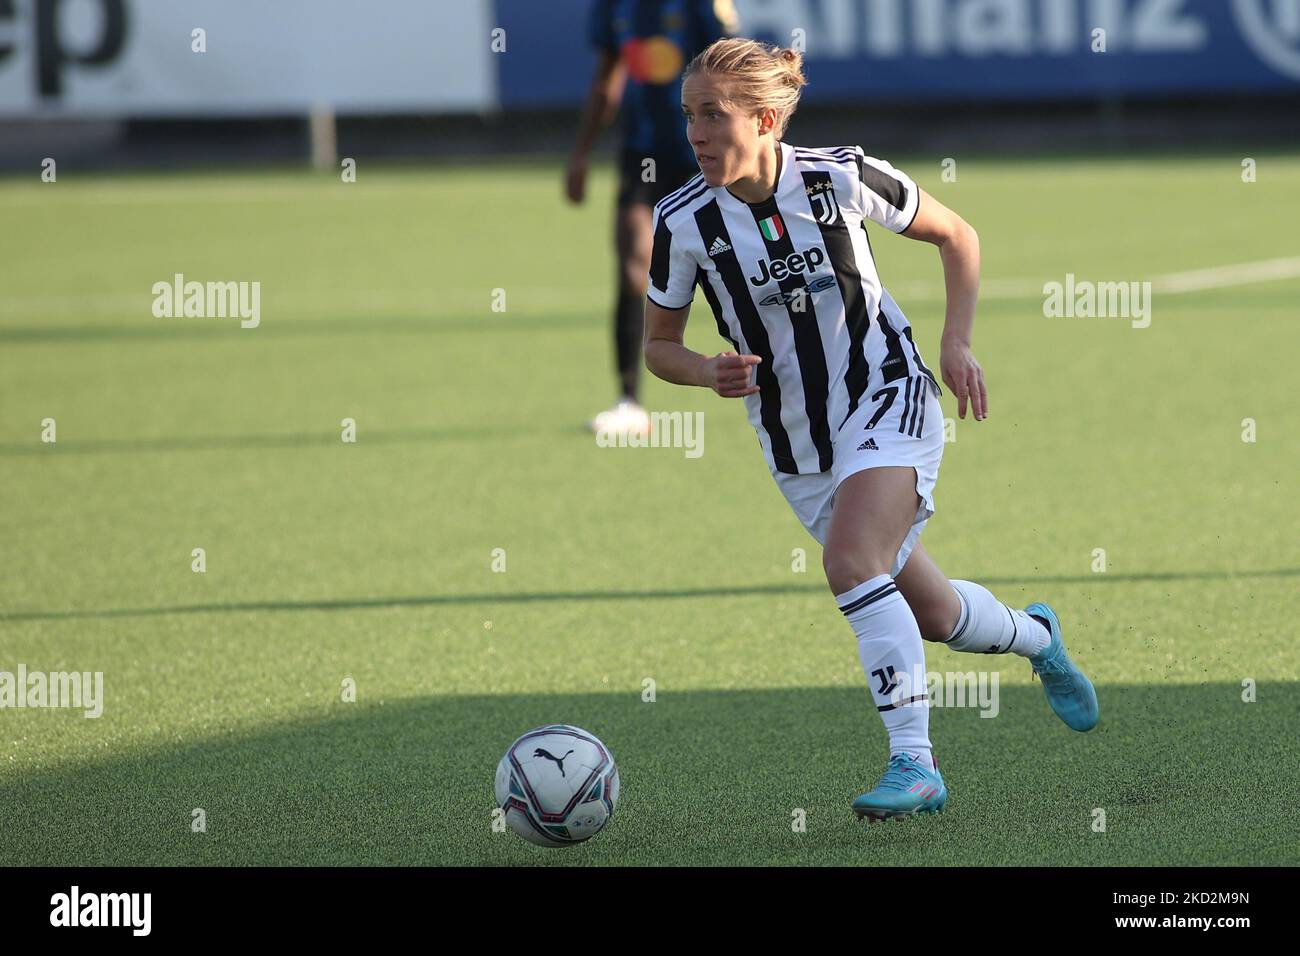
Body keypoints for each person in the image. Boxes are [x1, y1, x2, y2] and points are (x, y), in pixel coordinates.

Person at [642, 38, 1099, 822]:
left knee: (852, 561)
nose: (697, 133)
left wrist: (955, 342)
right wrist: (702, 371)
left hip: (888, 394)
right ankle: (1036, 636)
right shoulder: (682, 221)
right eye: (689, 117)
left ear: (767, 118)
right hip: (798, 445)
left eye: (713, 116)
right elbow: (657, 346)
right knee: (935, 614)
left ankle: (914, 765)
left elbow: (958, 236)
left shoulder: (840, 176)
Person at [568, 0, 738, 435]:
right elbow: (608, 77)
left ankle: (777, 374)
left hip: (702, 154)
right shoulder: (613, 7)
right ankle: (629, 401)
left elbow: (730, 73)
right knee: (632, 262)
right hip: (640, 156)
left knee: (740, 264)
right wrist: (581, 155)